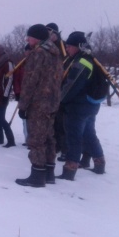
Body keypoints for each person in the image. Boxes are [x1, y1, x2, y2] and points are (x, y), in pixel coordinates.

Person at [15, 24, 62, 187]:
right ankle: (49, 173)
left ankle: (37, 175)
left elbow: (30, 81)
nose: (27, 40)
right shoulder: (55, 52)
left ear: (37, 38)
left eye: (29, 37)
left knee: (36, 139)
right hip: (52, 102)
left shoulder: (38, 53)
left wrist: (23, 105)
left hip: (38, 103)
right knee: (49, 137)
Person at [57, 31, 106, 180]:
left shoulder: (81, 62)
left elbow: (72, 87)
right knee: (89, 134)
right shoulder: (89, 59)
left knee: (74, 138)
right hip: (91, 105)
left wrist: (59, 101)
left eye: (69, 46)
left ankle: (69, 171)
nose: (67, 49)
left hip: (78, 107)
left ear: (78, 46)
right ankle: (99, 164)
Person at [46, 23, 68, 159]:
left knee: (61, 121)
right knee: (52, 120)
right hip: (50, 88)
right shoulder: (48, 47)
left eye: (50, 33)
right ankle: (56, 146)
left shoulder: (63, 47)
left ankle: (65, 148)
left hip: (61, 88)